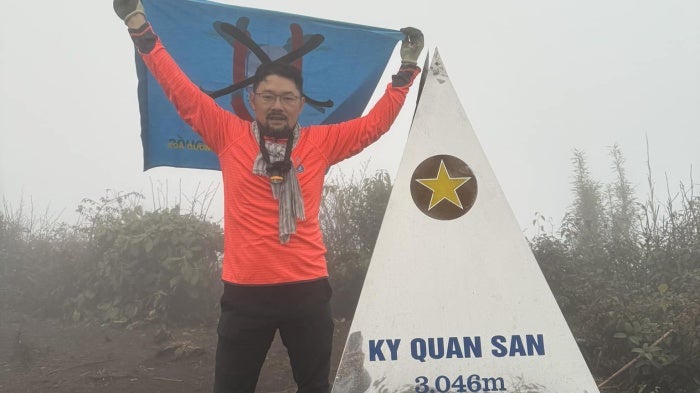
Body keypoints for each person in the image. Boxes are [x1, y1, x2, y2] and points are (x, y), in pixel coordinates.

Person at [113, 1, 424, 392]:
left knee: (313, 387)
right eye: (268, 96)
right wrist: (139, 26)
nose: (277, 105)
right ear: (254, 99)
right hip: (245, 295)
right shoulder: (227, 133)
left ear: (300, 104)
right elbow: (180, 91)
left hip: (308, 291)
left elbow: (374, 125)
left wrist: (405, 72)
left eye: (288, 97)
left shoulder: (320, 143)